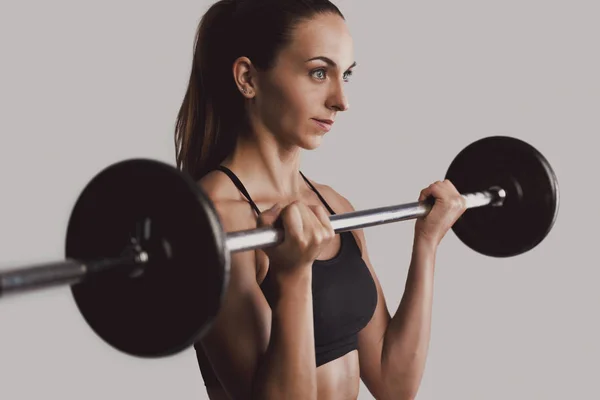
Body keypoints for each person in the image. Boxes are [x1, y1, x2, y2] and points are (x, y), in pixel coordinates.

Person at [174, 0, 466, 398]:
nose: (341, 101)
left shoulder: (334, 207)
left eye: (345, 75)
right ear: (248, 78)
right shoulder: (215, 222)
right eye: (318, 73)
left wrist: (427, 243)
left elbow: (393, 382)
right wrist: (293, 276)